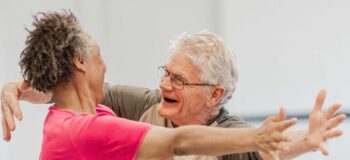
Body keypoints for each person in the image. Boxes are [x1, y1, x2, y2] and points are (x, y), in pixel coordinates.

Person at [1, 15, 346, 160]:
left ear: (215, 94)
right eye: (166, 72)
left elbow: (265, 150)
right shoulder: (134, 107)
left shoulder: (229, 132)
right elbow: (177, 142)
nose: (164, 83)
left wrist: (306, 141)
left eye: (178, 79)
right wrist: (19, 87)